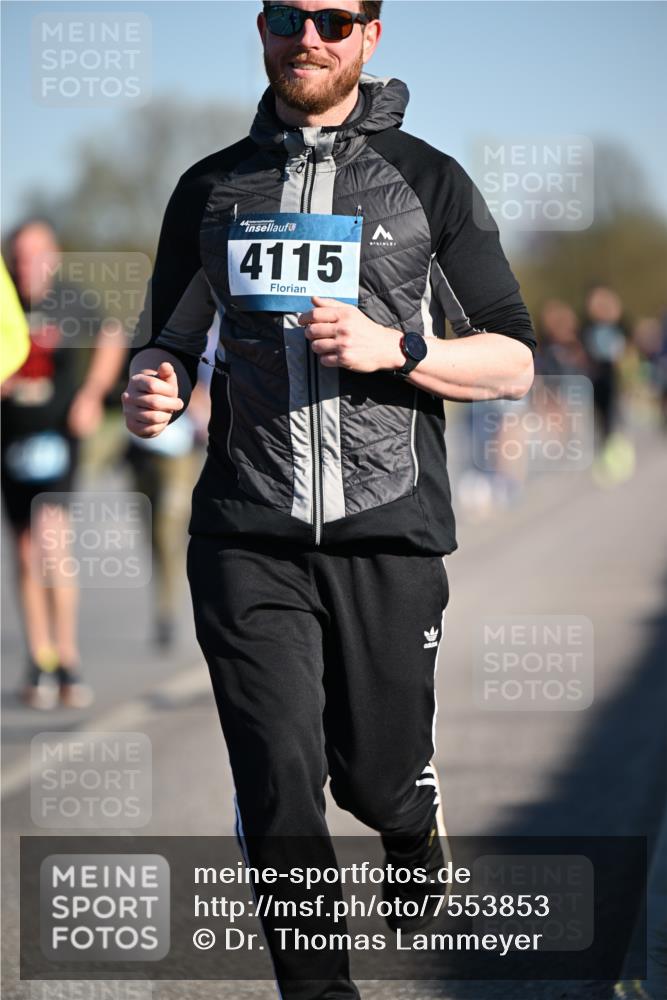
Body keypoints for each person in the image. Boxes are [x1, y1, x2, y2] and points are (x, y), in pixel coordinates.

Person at [122, 3, 536, 997]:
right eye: (285, 18)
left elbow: (515, 357)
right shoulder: (211, 188)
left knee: (373, 773)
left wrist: (400, 347)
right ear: (259, 30)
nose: (307, 37)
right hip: (244, 535)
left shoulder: (428, 181)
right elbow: (165, 338)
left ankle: (406, 809)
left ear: (371, 36)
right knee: (278, 780)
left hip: (387, 533)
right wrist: (154, 381)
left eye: (333, 20)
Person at [2, 220, 125, 709]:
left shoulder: (70, 301)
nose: (27, 266)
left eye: (35, 255)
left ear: (52, 258)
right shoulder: (8, 303)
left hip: (58, 439)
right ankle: (41, 658)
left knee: (52, 540)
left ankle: (68, 658)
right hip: (12, 437)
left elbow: (112, 335)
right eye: (19, 256)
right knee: (25, 550)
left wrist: (91, 396)